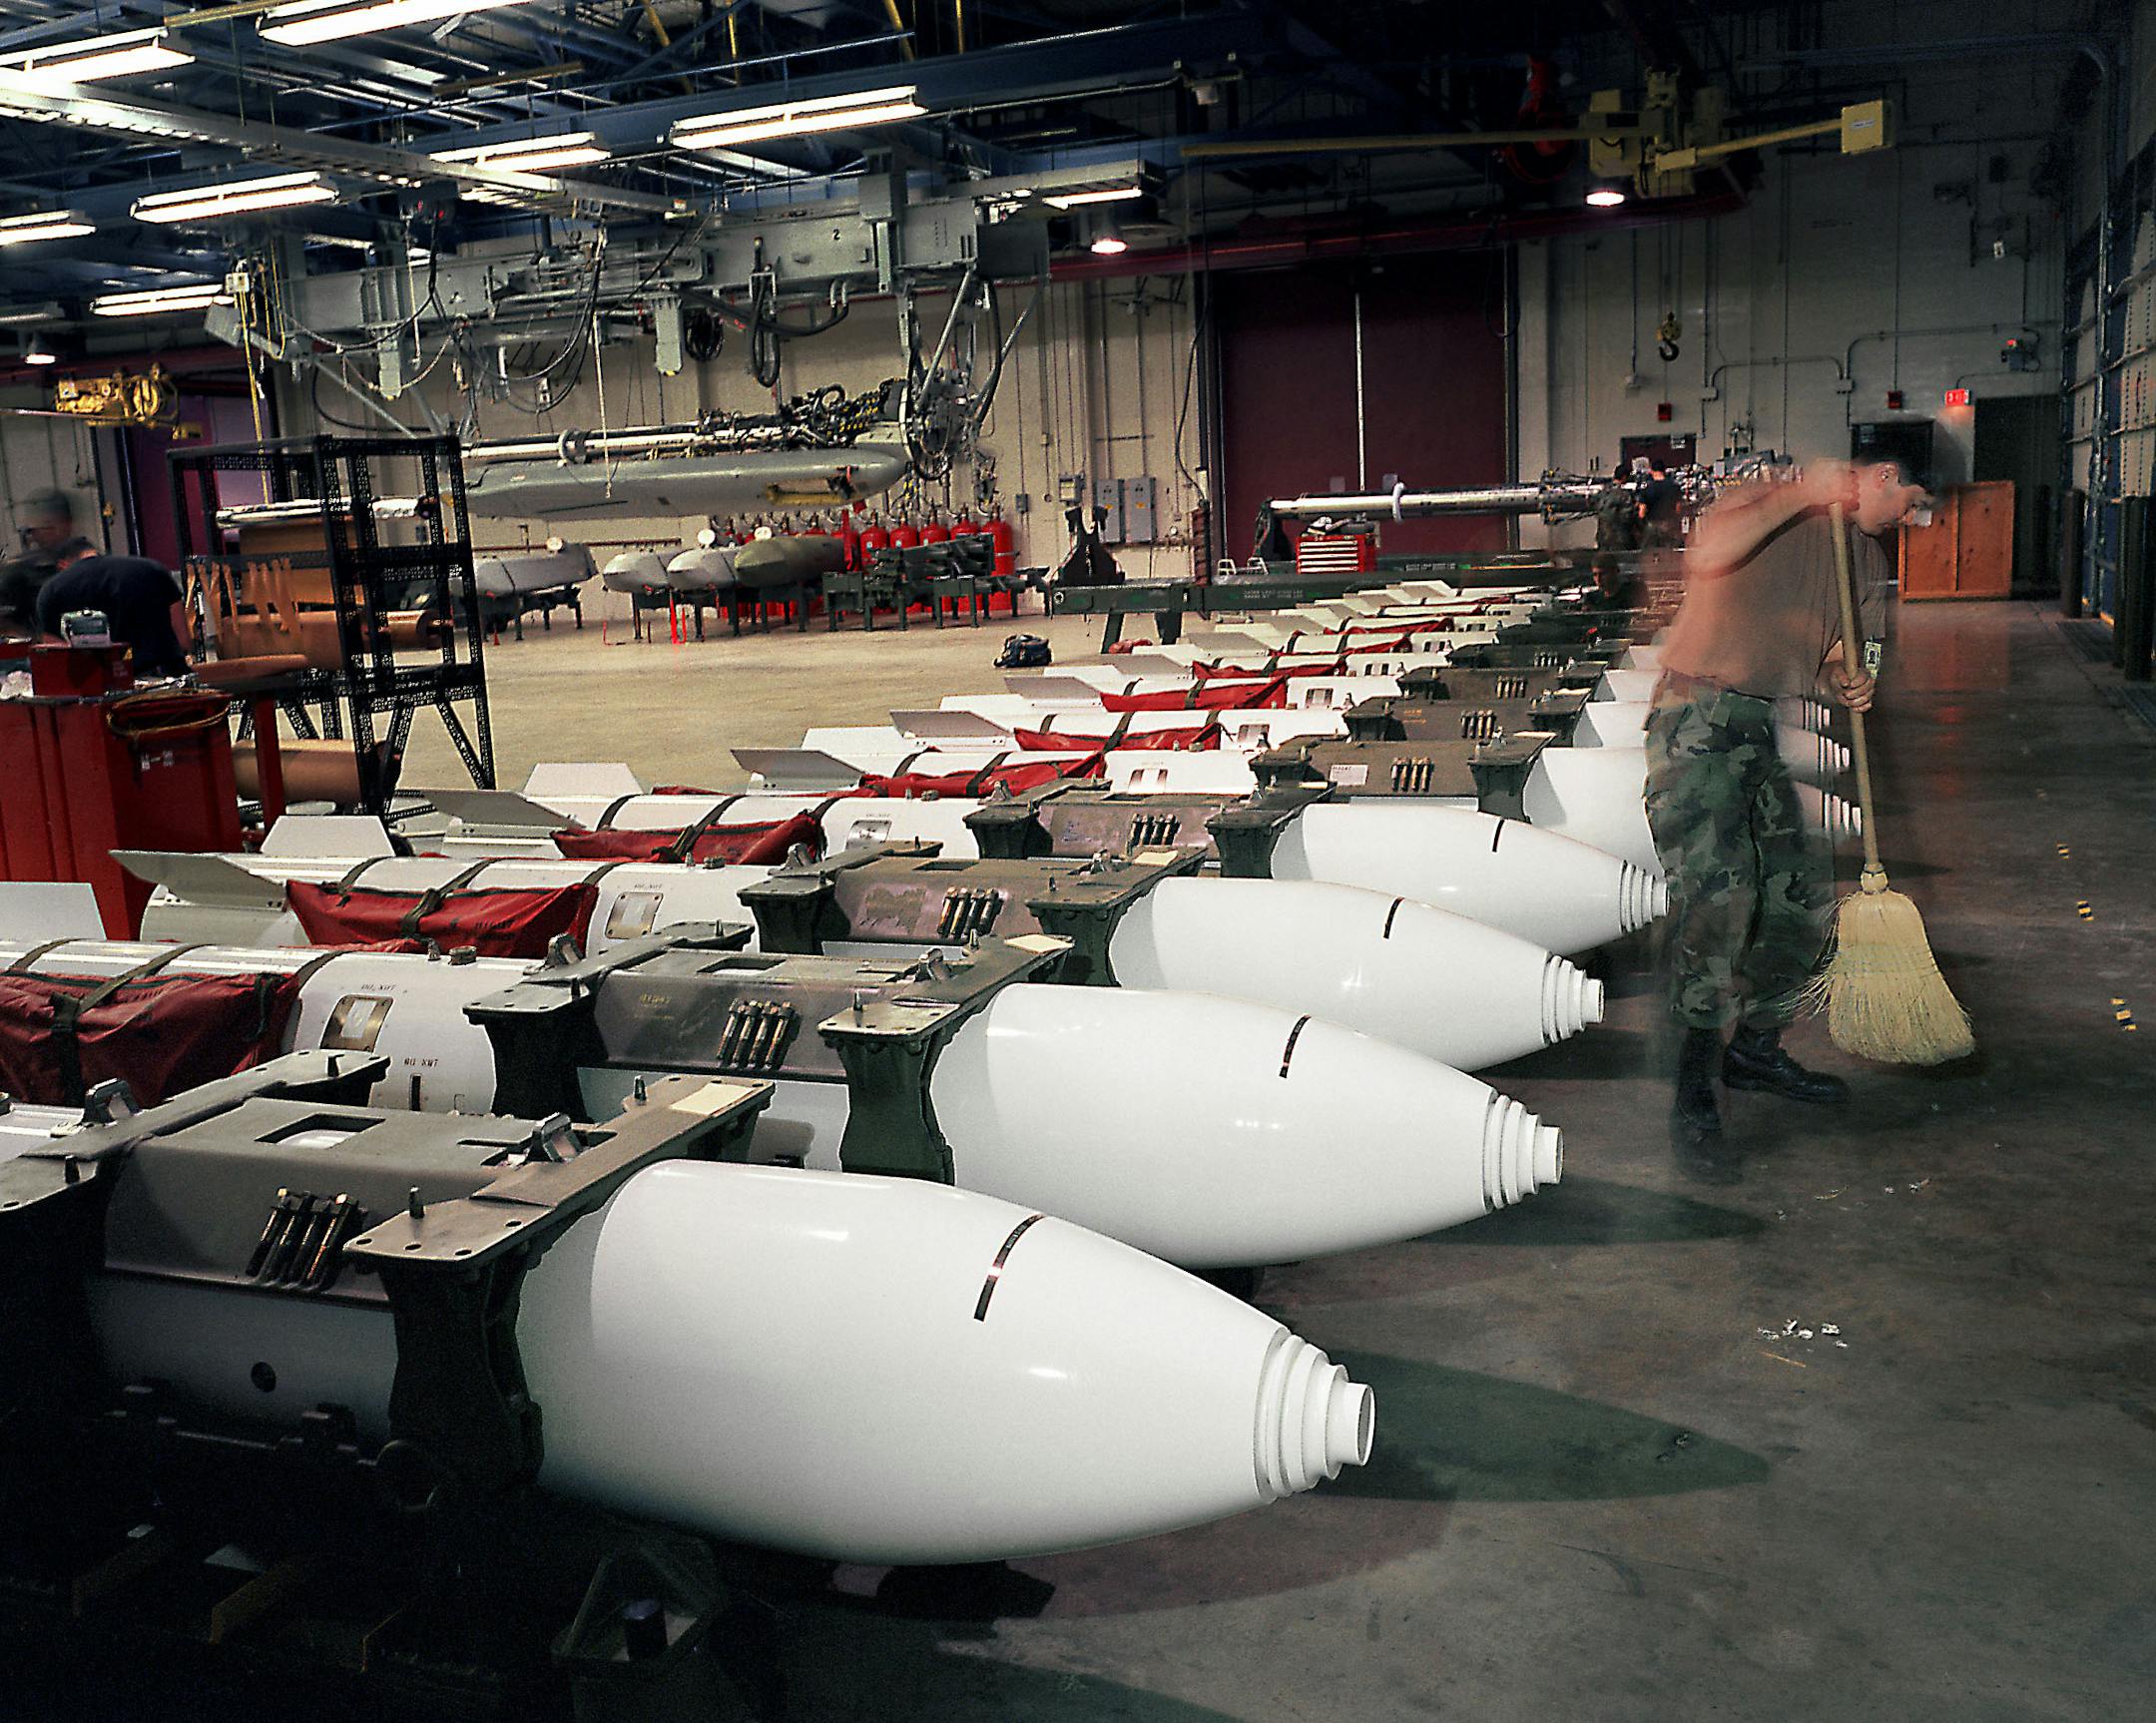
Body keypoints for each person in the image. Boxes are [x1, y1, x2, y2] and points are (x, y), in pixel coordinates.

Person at [1646, 457, 1926, 1179]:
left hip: (1756, 730)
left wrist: (1849, 680)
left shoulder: (1864, 560)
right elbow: (1708, 555)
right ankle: (1694, 1089)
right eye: (1910, 502)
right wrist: (1807, 492)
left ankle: (1754, 1051)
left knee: (1799, 903)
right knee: (1720, 903)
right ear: (1884, 475)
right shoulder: (1768, 500)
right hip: (1695, 720)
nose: (1910, 519)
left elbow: (1839, 657)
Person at [35, 540, 192, 678]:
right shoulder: (152, 569)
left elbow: (56, 656)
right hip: (169, 678)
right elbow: (183, 640)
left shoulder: (51, 590)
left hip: (105, 687)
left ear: (62, 565)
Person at [0, 490, 79, 636]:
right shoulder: (17, 572)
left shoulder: (82, 563)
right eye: (44, 527)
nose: (48, 533)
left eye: (52, 526)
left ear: (69, 523)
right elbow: (5, 623)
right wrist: (38, 640)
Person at [1636, 458, 1685, 549]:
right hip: (1669, 526)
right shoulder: (1674, 487)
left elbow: (1641, 514)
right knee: (1670, 554)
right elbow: (1678, 509)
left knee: (1649, 554)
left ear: (1651, 471)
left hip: (1651, 527)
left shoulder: (1646, 489)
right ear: (1664, 471)